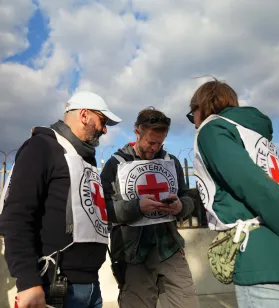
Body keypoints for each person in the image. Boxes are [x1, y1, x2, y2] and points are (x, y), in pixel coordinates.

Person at [188, 78, 279, 308]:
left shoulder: (212, 130)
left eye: (191, 113)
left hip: (261, 258)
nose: (193, 122)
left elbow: (260, 190)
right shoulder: (255, 136)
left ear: (202, 106)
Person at [0, 91, 122, 308]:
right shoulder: (41, 148)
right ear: (84, 115)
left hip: (92, 286)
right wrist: (28, 282)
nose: (104, 129)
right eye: (102, 121)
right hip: (54, 288)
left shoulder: (84, 158)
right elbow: (16, 218)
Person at [100, 107, 200, 308]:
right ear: (137, 132)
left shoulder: (171, 162)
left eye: (160, 143)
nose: (154, 148)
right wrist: (136, 207)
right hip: (133, 257)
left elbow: (188, 198)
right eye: (150, 142)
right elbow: (103, 209)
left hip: (169, 250)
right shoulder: (115, 164)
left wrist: (181, 206)